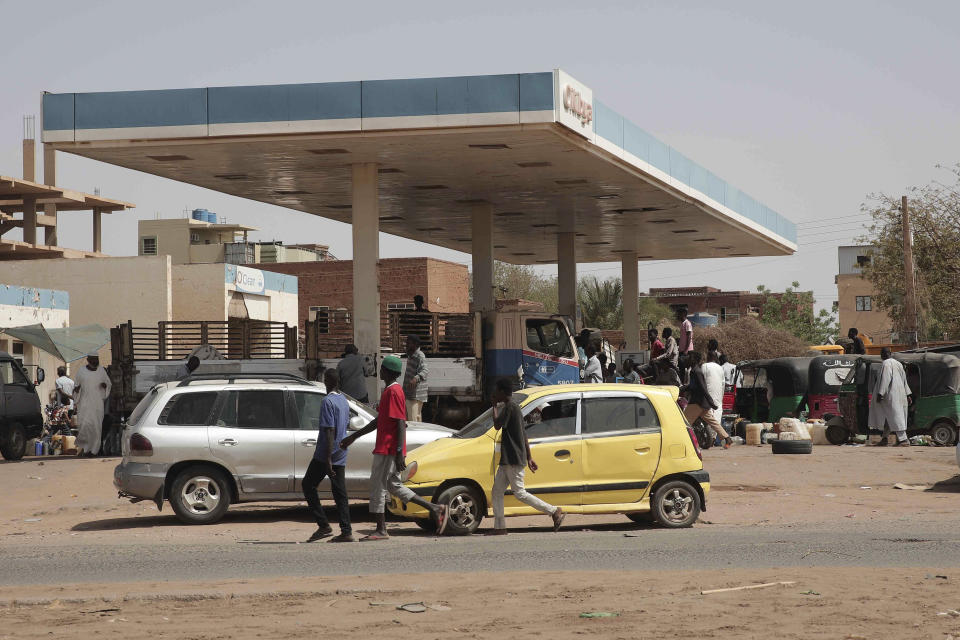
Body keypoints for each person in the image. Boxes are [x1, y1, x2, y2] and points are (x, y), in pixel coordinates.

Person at [340, 355, 447, 540]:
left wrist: (399, 452)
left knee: (378, 487)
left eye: (382, 369)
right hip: (387, 448)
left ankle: (381, 530)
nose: (379, 371)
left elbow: (400, 423)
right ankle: (435, 508)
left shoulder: (394, 392)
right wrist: (354, 437)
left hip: (388, 449)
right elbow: (378, 421)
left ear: (388, 372)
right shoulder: (390, 391)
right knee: (394, 486)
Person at [489, 378, 565, 535]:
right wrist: (529, 457)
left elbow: (497, 425)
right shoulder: (514, 408)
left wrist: (494, 406)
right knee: (497, 491)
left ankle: (553, 511)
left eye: (497, 391)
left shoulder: (510, 408)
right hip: (509, 459)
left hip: (513, 458)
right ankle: (500, 527)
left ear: (502, 392)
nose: (495, 393)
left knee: (520, 493)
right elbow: (523, 434)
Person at [302, 369, 354, 543]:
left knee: (308, 485)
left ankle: (323, 525)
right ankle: (346, 531)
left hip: (325, 454)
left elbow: (329, 430)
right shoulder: (344, 401)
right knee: (340, 493)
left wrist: (328, 459)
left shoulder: (327, 401)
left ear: (329, 382)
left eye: (325, 380)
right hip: (340, 452)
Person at [682, 351, 732, 449]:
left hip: (697, 403)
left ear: (695, 360)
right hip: (702, 403)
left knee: (684, 423)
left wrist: (711, 402)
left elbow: (703, 388)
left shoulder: (696, 371)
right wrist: (682, 388)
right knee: (713, 422)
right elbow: (692, 386)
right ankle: (727, 438)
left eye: (690, 357)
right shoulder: (694, 370)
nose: (687, 358)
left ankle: (687, 444)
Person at [870, 348, 912, 446]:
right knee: (888, 417)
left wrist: (880, 393)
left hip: (890, 396)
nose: (882, 355)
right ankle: (884, 438)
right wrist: (908, 394)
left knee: (896, 417)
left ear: (884, 354)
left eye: (882, 353)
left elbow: (886, 378)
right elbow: (904, 380)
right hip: (900, 394)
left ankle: (904, 440)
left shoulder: (886, 364)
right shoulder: (899, 364)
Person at [73, 353, 111, 456]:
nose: (95, 361)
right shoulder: (81, 371)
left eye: (97, 359)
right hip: (84, 404)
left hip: (97, 404)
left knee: (96, 427)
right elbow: (76, 386)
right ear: (88, 359)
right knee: (85, 426)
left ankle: (94, 450)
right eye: (93, 359)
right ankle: (85, 449)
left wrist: (105, 386)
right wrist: (76, 390)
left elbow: (108, 384)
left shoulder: (101, 371)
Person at [402, 334, 429, 422]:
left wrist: (415, 379)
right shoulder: (411, 355)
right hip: (409, 394)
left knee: (412, 421)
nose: (406, 345)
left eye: (408, 343)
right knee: (415, 418)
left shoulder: (420, 355)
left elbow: (425, 370)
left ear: (415, 344)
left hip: (415, 395)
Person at [702, 351, 727, 442]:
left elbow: (702, 381)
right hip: (718, 397)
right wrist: (721, 397)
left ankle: (709, 439)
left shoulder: (704, 366)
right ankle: (712, 439)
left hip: (707, 397)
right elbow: (723, 384)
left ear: (708, 357)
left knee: (708, 419)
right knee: (716, 419)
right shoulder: (720, 368)